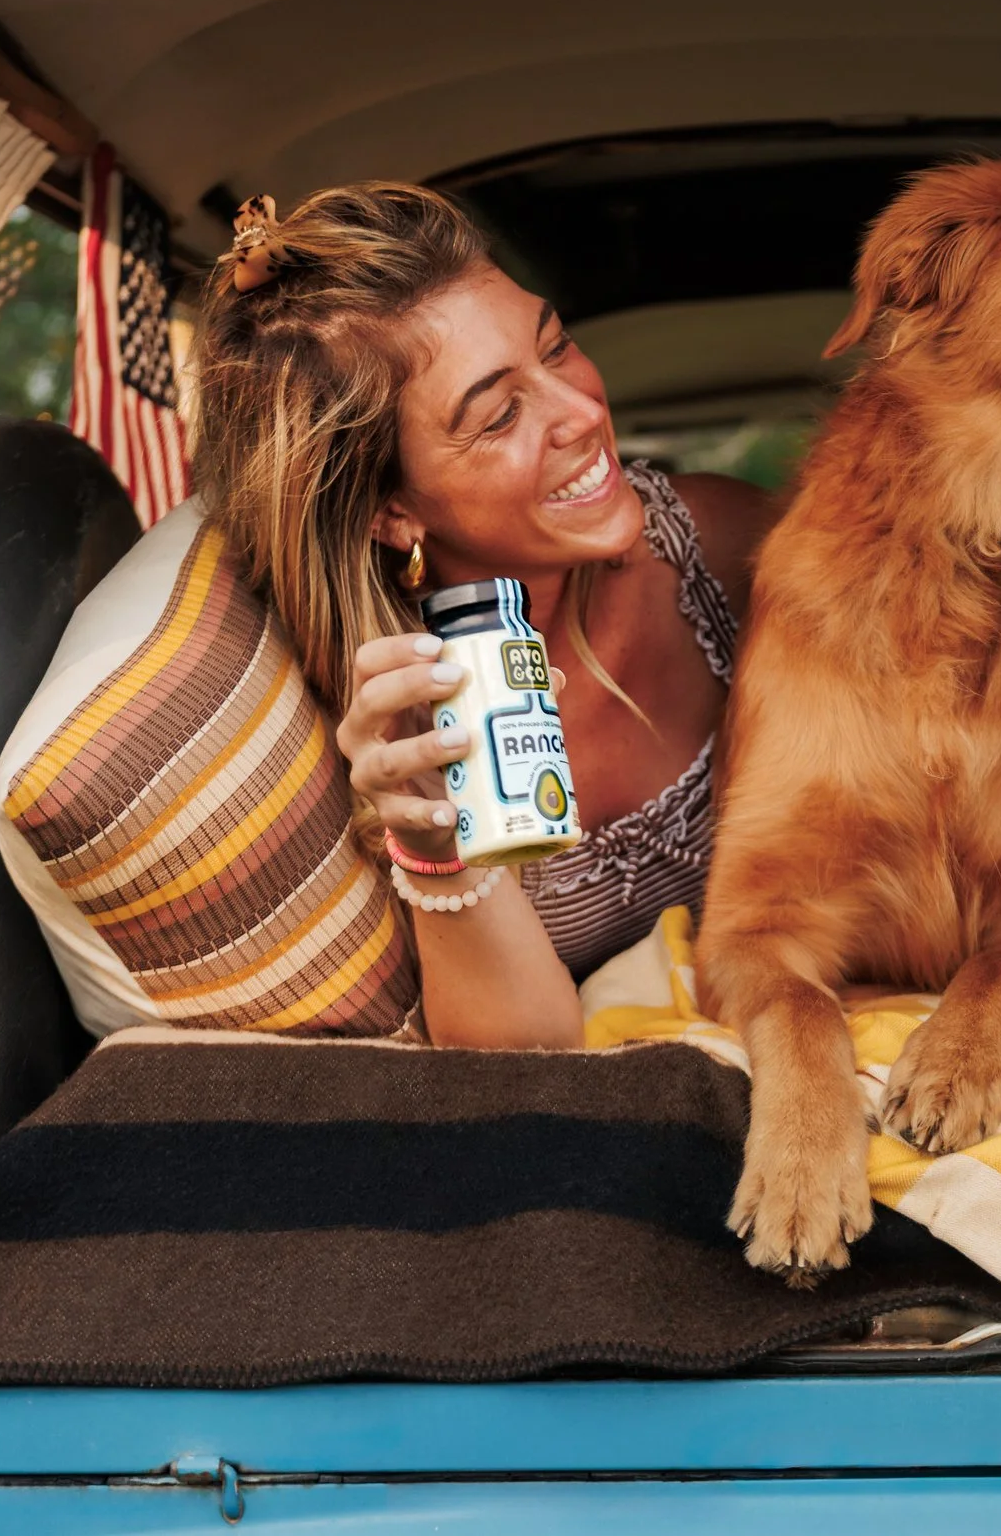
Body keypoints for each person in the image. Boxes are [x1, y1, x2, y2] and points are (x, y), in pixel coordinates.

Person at [193, 183, 774, 1047]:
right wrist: (429, 834)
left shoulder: (727, 550)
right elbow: (525, 1057)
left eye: (559, 347)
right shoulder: (398, 719)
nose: (584, 413)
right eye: (500, 413)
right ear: (392, 512)